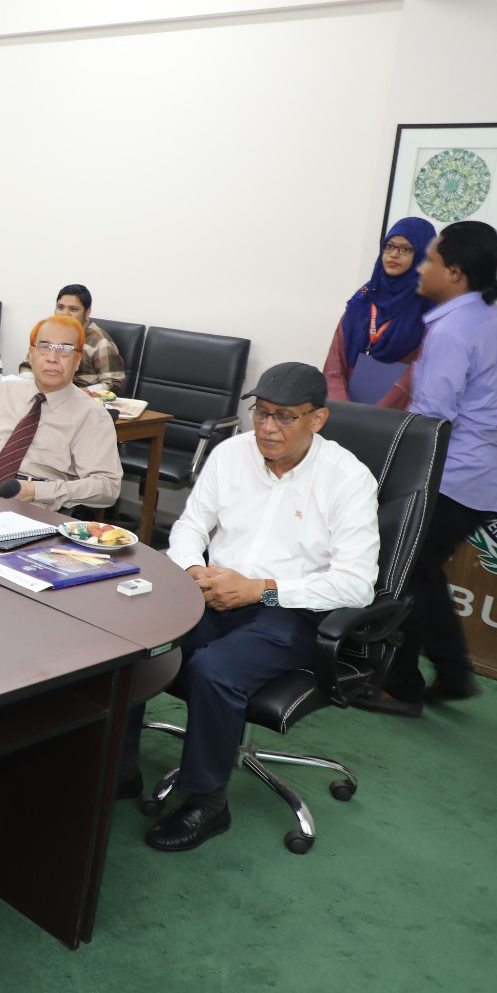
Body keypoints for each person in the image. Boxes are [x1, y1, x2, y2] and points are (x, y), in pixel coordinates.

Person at [130, 362, 379, 852]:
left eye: (284, 416)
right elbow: (190, 526)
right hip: (212, 592)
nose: (267, 427)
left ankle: (208, 803)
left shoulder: (348, 479)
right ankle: (118, 767)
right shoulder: (231, 453)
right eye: (261, 413)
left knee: (215, 671)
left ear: (317, 419)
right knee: (138, 640)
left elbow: (356, 587)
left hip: (289, 611)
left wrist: (260, 589)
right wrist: (191, 568)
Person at [371, 221, 497, 713]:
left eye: (431, 259)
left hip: (454, 476)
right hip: (487, 476)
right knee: (422, 570)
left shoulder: (452, 331)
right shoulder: (494, 318)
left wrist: (395, 477)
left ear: (455, 272)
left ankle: (401, 687)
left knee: (402, 571)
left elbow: (431, 422)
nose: (421, 267)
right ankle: (454, 672)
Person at [0, 315, 122, 509]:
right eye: (45, 347)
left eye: (64, 350)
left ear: (77, 360)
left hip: (35, 505)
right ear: (31, 354)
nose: (52, 358)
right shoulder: (3, 391)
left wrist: (38, 491)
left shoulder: (92, 415)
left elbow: (107, 487)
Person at [323, 217, 437, 409]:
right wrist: (343, 407)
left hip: (396, 415)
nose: (394, 254)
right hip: (346, 410)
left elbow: (417, 374)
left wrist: (376, 415)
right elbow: (334, 364)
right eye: (389, 246)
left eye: (405, 249)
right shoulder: (363, 299)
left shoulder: (428, 308)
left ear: (423, 255)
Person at [54, 284, 125, 393]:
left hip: (81, 398)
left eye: (73, 309)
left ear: (87, 312)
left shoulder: (100, 342)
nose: (64, 314)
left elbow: (113, 384)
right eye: (60, 307)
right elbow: (28, 366)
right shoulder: (48, 333)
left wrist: (79, 393)